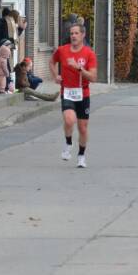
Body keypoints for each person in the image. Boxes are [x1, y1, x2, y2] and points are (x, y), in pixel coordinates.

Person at [50, 24, 97, 168]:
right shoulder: (62, 50)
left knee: (82, 128)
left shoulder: (89, 54)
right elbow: (52, 62)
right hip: (68, 91)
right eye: (71, 33)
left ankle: (81, 156)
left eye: (76, 33)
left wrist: (79, 68)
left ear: (83, 35)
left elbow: (93, 77)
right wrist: (55, 76)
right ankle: (68, 143)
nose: (73, 36)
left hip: (83, 93)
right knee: (69, 120)